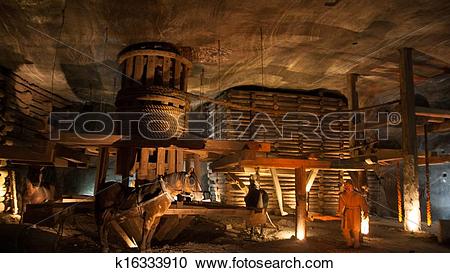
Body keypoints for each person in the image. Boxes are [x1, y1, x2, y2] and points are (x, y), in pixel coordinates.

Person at [338, 183, 369, 248]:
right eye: (346, 186)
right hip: (347, 212)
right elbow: (341, 205)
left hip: (356, 212)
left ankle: (356, 242)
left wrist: (365, 211)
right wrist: (340, 212)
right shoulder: (342, 196)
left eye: (349, 186)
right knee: (345, 228)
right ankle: (349, 241)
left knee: (356, 228)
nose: (347, 187)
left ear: (352, 186)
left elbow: (363, 203)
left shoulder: (358, 195)